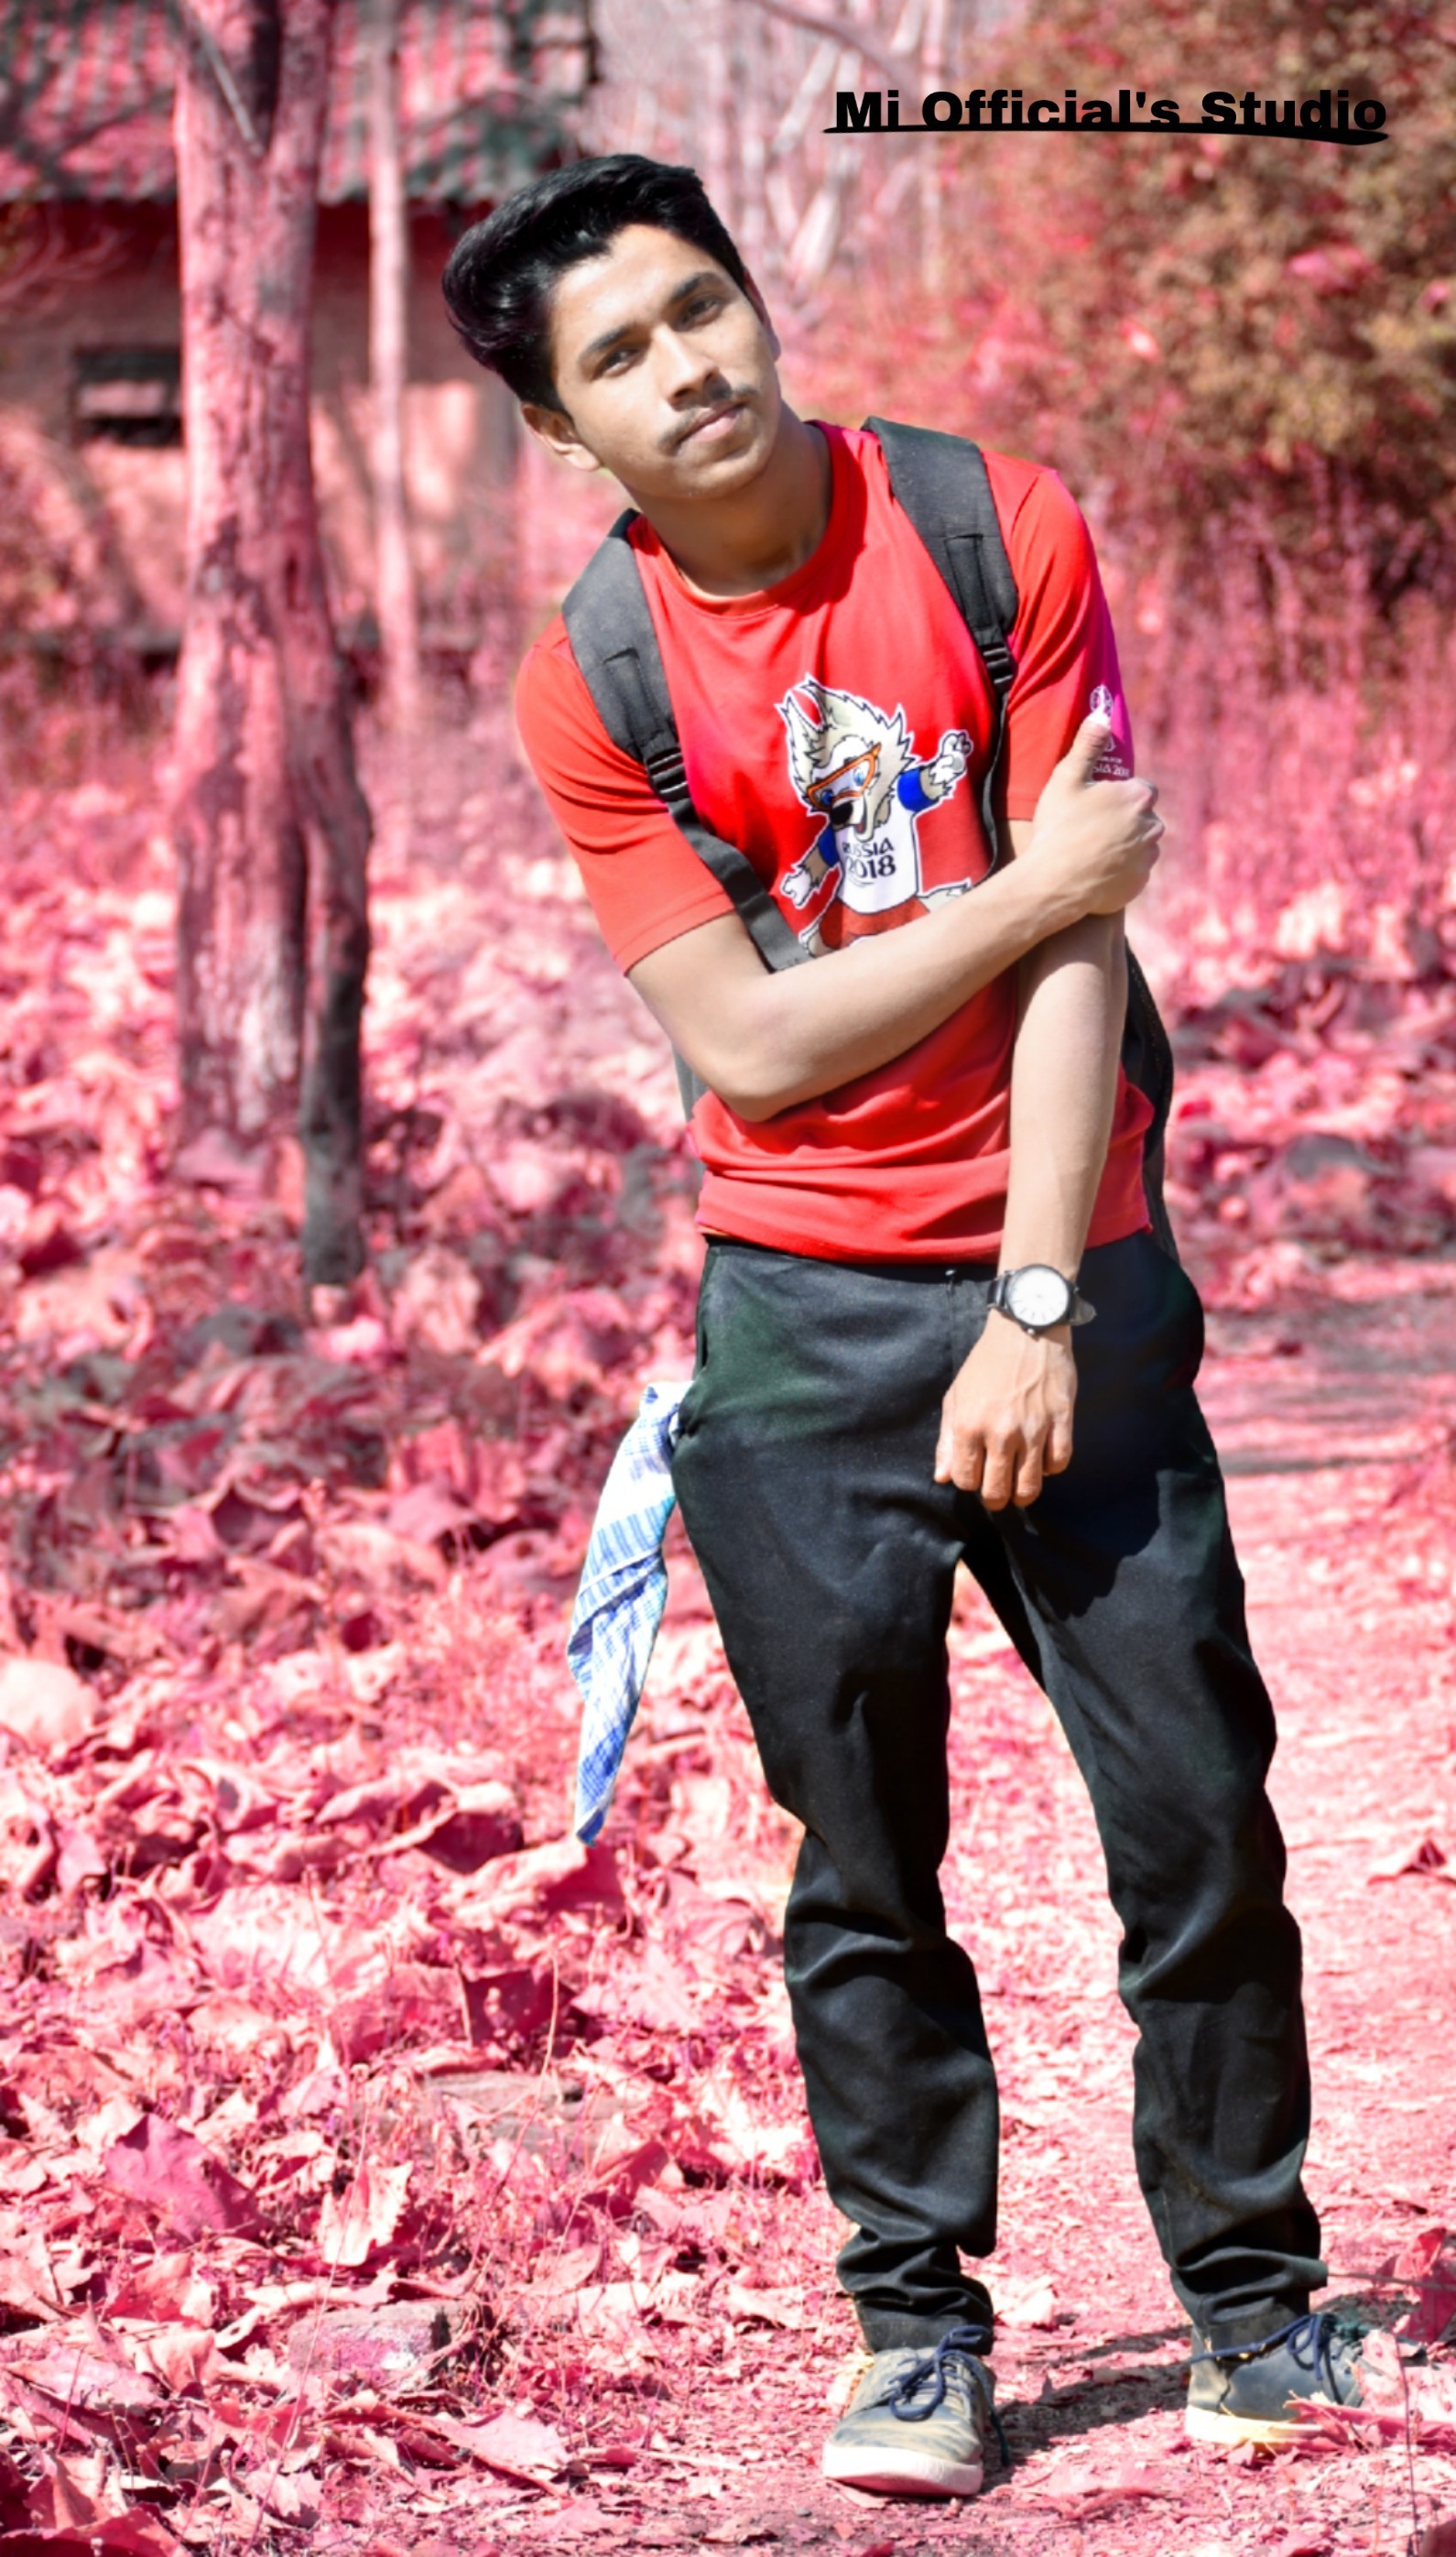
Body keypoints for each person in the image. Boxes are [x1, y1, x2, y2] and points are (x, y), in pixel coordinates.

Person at [441, 153, 1365, 2499]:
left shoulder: (985, 525)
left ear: (758, 300)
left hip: (1078, 1260)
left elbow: (1088, 948)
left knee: (1198, 1814)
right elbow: (750, 1050)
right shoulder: (595, 673)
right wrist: (1029, 883)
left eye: (700, 306)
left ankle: (1257, 2310)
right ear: (562, 428)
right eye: (619, 355)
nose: (686, 366)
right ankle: (917, 2329)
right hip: (796, 1313)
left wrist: (1040, 1294)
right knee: (860, 1855)